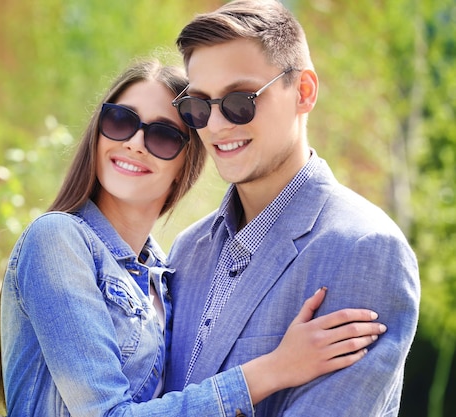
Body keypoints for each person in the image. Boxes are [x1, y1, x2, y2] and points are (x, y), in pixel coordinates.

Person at [0, 59, 386, 417]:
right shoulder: (58, 240)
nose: (135, 143)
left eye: (163, 136)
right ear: (98, 132)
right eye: (121, 121)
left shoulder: (170, 273)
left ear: (186, 163)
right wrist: (275, 369)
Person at [164, 1, 421, 416]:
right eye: (198, 106)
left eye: (240, 100)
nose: (215, 125)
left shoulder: (365, 250)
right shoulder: (186, 251)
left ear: (303, 92)